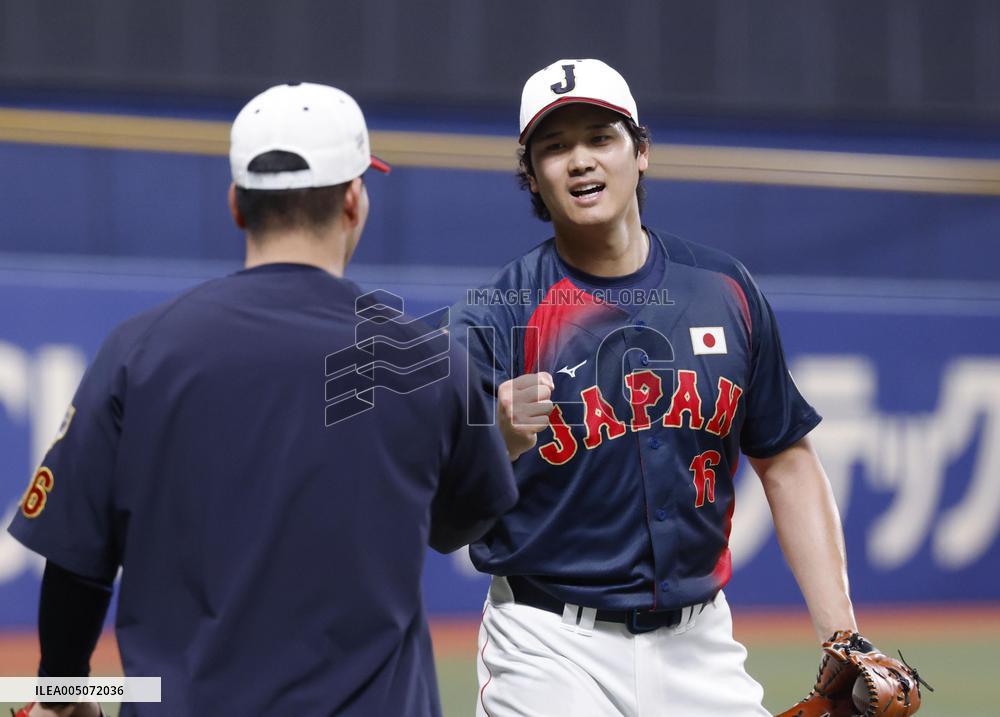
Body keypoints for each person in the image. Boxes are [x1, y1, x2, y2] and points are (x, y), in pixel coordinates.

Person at [8, 82, 518, 717]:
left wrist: (63, 690)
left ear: (236, 205)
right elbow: (461, 524)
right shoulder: (429, 362)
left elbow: (78, 564)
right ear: (355, 200)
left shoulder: (139, 351)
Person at [452, 59, 857, 716]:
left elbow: (784, 458)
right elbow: (444, 515)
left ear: (640, 151)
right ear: (530, 173)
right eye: (555, 147)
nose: (580, 160)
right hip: (549, 642)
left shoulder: (725, 289)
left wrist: (842, 635)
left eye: (600, 137)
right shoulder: (497, 315)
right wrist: (494, 444)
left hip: (699, 642)